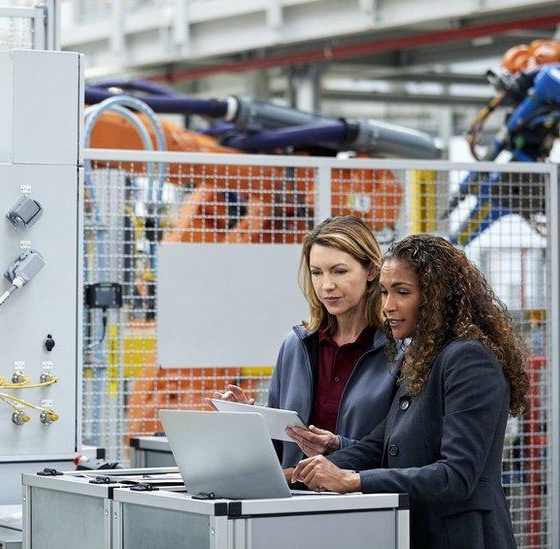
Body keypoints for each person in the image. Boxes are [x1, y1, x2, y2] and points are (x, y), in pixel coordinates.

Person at [292, 234, 529, 549]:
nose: (388, 306)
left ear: (437, 297)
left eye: (402, 292)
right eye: (385, 292)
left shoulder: (469, 359)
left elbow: (456, 475)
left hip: (461, 537)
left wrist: (353, 481)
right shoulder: (423, 357)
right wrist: (300, 473)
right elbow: (379, 447)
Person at [208, 215, 398, 470]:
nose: (326, 285)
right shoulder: (296, 346)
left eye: (339, 271)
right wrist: (250, 421)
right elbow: (277, 449)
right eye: (317, 273)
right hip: (296, 503)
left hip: (367, 502)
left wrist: (339, 446)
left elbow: (403, 451)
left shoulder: (399, 351)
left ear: (372, 271)